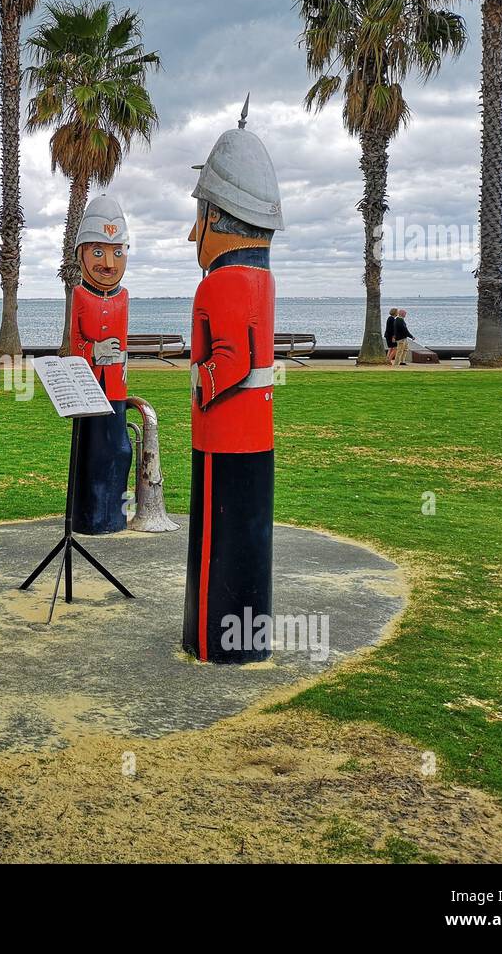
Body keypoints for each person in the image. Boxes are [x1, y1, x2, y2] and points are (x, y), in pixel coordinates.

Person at [184, 96, 280, 663]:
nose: (191, 232)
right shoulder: (262, 281)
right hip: (256, 434)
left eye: (198, 217)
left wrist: (202, 382)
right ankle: (243, 636)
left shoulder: (218, 284)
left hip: (223, 435)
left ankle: (213, 640)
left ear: (218, 217)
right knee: (243, 533)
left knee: (219, 533)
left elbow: (235, 359)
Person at [69, 194, 133, 534]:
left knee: (119, 449)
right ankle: (91, 516)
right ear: (81, 254)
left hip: (116, 389)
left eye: (117, 252)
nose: (109, 263)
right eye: (98, 252)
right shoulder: (80, 296)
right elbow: (73, 343)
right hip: (90, 387)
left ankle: (117, 513)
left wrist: (119, 360)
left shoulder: (123, 296)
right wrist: (92, 352)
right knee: (91, 453)